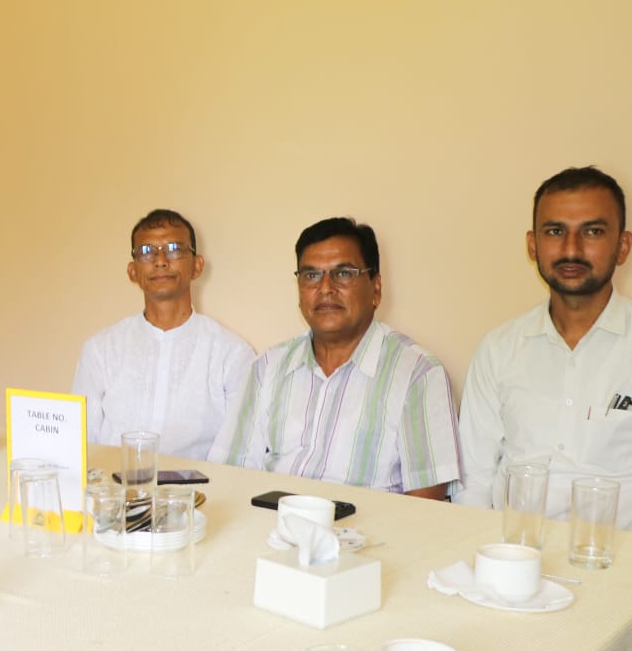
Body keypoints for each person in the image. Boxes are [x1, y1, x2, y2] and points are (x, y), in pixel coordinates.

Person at [455, 166, 632, 537]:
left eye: (592, 232)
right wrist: (500, 558)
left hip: (618, 561)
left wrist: (621, 565)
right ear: (532, 245)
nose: (571, 249)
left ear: (623, 246)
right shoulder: (497, 349)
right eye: (554, 231)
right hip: (512, 554)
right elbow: (473, 484)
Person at [209, 216, 461, 498]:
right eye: (311, 276)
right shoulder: (268, 367)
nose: (325, 288)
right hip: (271, 521)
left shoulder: (418, 374)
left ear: (376, 288)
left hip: (372, 526)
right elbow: (231, 475)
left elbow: (426, 507)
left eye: (343, 274)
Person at [71, 208, 254, 460]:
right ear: (132, 271)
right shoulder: (101, 349)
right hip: (112, 481)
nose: (160, 260)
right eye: (147, 251)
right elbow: (81, 442)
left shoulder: (232, 354)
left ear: (197, 266)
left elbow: (237, 452)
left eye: (174, 249)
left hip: (201, 484)